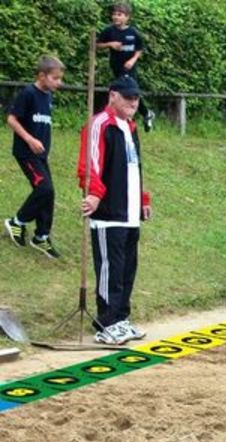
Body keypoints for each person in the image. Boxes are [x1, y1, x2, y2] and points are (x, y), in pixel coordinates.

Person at [77, 76, 151, 345]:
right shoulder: (100, 124)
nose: (133, 102)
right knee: (111, 270)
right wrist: (94, 193)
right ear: (113, 96)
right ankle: (106, 323)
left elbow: (135, 167)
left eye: (136, 98)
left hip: (130, 212)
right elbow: (90, 164)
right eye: (128, 97)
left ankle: (121, 318)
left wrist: (143, 199)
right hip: (109, 213)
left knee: (127, 270)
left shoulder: (130, 127)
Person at [5, 55, 65, 259]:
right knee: (44, 189)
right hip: (26, 153)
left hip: (40, 155)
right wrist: (29, 139)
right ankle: (17, 222)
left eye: (60, 78)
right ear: (42, 75)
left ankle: (41, 236)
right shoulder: (28, 93)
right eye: (55, 78)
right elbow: (12, 119)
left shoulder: (48, 96)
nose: (59, 82)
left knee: (49, 193)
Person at [97, 3, 154, 130]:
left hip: (129, 68)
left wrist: (133, 60)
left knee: (127, 91)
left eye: (119, 15)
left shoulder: (133, 32)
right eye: (114, 14)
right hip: (115, 67)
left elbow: (139, 49)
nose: (116, 17)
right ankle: (145, 114)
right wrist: (110, 44)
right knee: (122, 92)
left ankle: (127, 120)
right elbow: (97, 45)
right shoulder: (109, 31)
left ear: (127, 17)